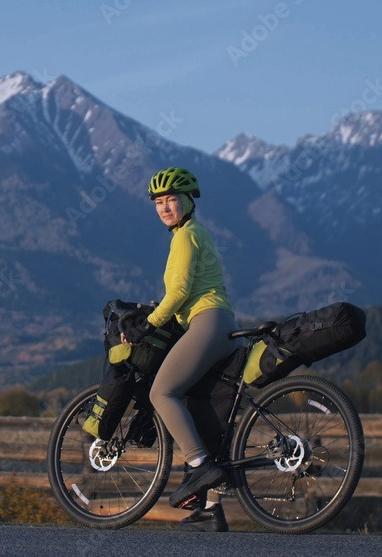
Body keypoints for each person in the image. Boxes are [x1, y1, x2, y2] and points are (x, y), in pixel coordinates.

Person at [120, 167, 239, 532]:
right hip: (216, 322)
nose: (165, 207)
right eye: (158, 202)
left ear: (188, 201)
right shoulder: (193, 233)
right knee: (198, 407)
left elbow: (180, 293)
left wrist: (146, 325)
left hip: (207, 321)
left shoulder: (185, 236)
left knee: (161, 392)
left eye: (171, 199)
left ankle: (199, 465)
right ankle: (209, 508)